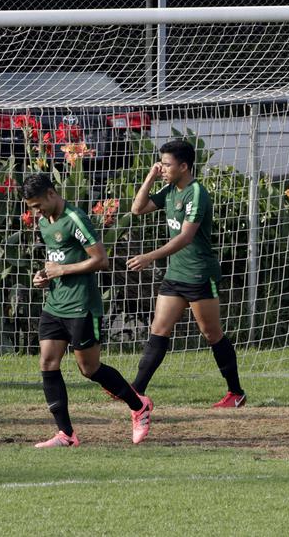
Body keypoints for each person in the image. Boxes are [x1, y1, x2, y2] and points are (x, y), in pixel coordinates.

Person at [21, 174, 152, 447]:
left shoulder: (76, 218)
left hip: (81, 306)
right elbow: (57, 259)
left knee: (89, 369)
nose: (36, 212)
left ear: (51, 194)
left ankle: (138, 405)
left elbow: (101, 260)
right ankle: (66, 434)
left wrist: (62, 270)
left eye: (37, 206)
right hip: (55, 304)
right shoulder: (45, 222)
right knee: (47, 362)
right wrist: (44, 276)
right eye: (31, 208)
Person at [127, 139, 245, 408]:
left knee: (211, 333)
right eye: (161, 163)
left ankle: (236, 392)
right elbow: (137, 209)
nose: (163, 168)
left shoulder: (196, 193)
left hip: (198, 274)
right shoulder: (169, 189)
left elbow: (186, 237)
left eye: (167, 164)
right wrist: (150, 177)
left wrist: (149, 257)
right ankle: (135, 390)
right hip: (176, 274)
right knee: (159, 329)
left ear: (184, 166)